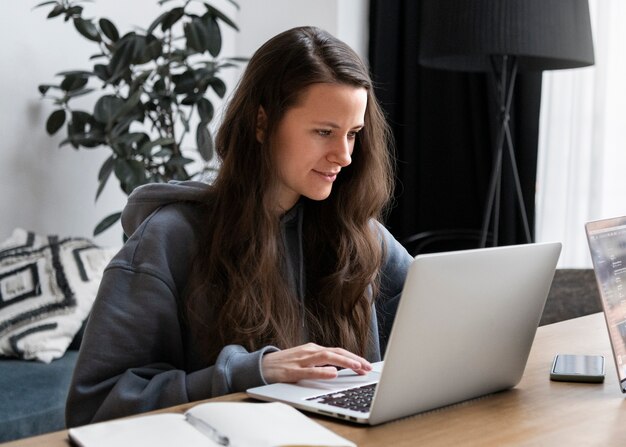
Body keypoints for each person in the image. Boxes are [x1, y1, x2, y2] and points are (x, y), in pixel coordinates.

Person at [66, 26, 412, 427]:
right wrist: (253, 372)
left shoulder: (358, 234)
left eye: (353, 134)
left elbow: (435, 315)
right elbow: (95, 405)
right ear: (261, 123)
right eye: (324, 132)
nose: (345, 156)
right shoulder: (169, 240)